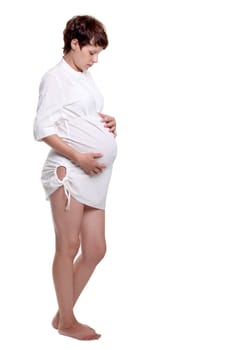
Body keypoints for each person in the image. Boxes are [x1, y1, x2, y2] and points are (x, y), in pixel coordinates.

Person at [33, 15, 117, 341]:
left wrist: (107, 125)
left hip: (95, 175)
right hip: (69, 172)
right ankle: (68, 320)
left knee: (95, 248)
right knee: (68, 246)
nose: (95, 60)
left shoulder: (83, 76)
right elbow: (43, 129)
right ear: (74, 44)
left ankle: (62, 314)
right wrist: (80, 156)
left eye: (98, 54)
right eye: (91, 53)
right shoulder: (55, 78)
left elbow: (81, 115)